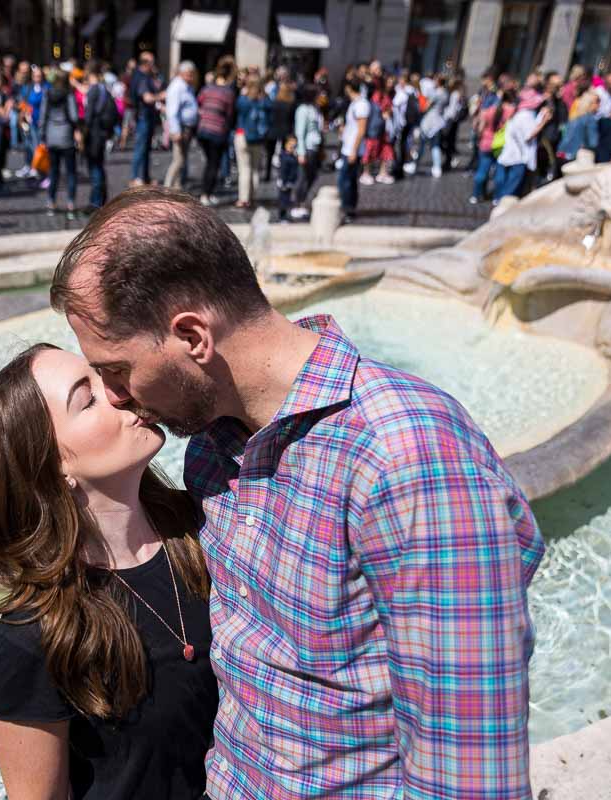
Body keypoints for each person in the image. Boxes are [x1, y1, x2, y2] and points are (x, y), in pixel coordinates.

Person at [49, 186, 544, 800]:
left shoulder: (408, 457)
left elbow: (469, 773)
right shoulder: (211, 448)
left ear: (193, 337)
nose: (116, 395)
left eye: (117, 369)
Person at [0, 342, 217, 800]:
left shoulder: (208, 529)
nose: (119, 390)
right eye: (89, 397)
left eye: (104, 373)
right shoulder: (36, 635)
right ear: (54, 467)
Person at [494, 91, 552, 203]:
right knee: (512, 188)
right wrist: (544, 121)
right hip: (519, 157)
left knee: (505, 183)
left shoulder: (520, 113)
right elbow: (528, 135)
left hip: (510, 154)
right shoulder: (526, 115)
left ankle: (499, 200)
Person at [195, 56, 236, 208]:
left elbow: (199, 103)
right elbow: (230, 114)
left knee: (209, 163)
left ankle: (207, 192)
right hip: (217, 131)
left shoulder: (207, 88)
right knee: (213, 164)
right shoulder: (228, 93)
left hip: (203, 130)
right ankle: (206, 194)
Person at [40, 72, 79, 219]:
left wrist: (42, 135)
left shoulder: (48, 93)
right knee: (70, 172)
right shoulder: (68, 94)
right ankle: (70, 204)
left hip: (51, 136)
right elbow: (74, 115)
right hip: (66, 136)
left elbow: (43, 116)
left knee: (53, 172)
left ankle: (51, 203)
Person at [82, 62, 118, 211]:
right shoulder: (105, 89)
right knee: (99, 166)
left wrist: (83, 133)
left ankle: (96, 202)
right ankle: (101, 199)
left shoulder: (93, 90)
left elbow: (89, 116)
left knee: (95, 167)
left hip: (94, 133)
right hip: (102, 132)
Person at [233, 75, 271, 209]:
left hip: (243, 135)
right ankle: (252, 197)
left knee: (244, 169)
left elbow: (237, 109)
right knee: (255, 169)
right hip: (259, 138)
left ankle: (243, 199)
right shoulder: (266, 100)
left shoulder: (243, 99)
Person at [336, 78, 369, 224]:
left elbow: (361, 130)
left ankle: (348, 209)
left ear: (349, 88)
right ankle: (349, 209)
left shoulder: (361, 105)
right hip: (348, 147)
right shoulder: (355, 103)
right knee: (349, 180)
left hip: (352, 149)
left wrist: (354, 151)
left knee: (345, 181)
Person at [290, 83, 323, 219]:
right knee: (303, 177)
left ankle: (302, 200)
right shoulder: (303, 110)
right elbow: (300, 132)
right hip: (307, 148)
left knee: (312, 175)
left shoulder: (315, 108)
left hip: (314, 146)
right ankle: (297, 203)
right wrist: (301, 152)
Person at [163, 61, 198, 190]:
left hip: (186, 127)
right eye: (189, 74)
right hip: (180, 127)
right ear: (181, 73)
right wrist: (176, 130)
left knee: (182, 159)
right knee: (178, 160)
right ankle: (167, 187)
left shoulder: (186, 86)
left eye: (192, 74)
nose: (191, 77)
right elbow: (172, 111)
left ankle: (177, 186)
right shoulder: (177, 87)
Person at [129, 52, 162, 186]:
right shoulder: (142, 77)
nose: (154, 65)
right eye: (152, 62)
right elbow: (147, 97)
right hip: (144, 116)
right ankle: (135, 177)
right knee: (141, 147)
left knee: (146, 148)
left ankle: (145, 177)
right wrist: (161, 96)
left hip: (145, 116)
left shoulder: (143, 76)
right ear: (146, 63)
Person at [263, 80, 295, 183]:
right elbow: (291, 120)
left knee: (270, 154)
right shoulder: (290, 104)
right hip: (285, 131)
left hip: (273, 130)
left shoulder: (274, 103)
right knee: (284, 154)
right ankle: (282, 174)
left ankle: (267, 174)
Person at [275, 135, 299, 221]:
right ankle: (282, 216)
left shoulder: (292, 156)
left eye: (294, 146)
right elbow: (283, 171)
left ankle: (284, 214)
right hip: (285, 182)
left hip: (290, 181)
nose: (292, 147)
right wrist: (283, 181)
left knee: (287, 199)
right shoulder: (285, 157)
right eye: (291, 145)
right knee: (283, 199)